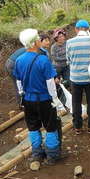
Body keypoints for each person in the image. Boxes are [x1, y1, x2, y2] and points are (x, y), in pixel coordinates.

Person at [14, 29, 63, 165]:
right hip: (44, 100)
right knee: (51, 127)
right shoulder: (43, 60)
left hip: (28, 100)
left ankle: (37, 154)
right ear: (34, 42)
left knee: (33, 127)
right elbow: (50, 83)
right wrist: (55, 99)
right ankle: (52, 156)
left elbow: (19, 82)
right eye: (37, 38)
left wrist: (22, 95)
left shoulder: (19, 60)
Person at [66, 20, 90, 135]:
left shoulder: (69, 42)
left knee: (76, 103)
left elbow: (69, 60)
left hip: (75, 79)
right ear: (88, 29)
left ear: (76, 29)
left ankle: (78, 127)